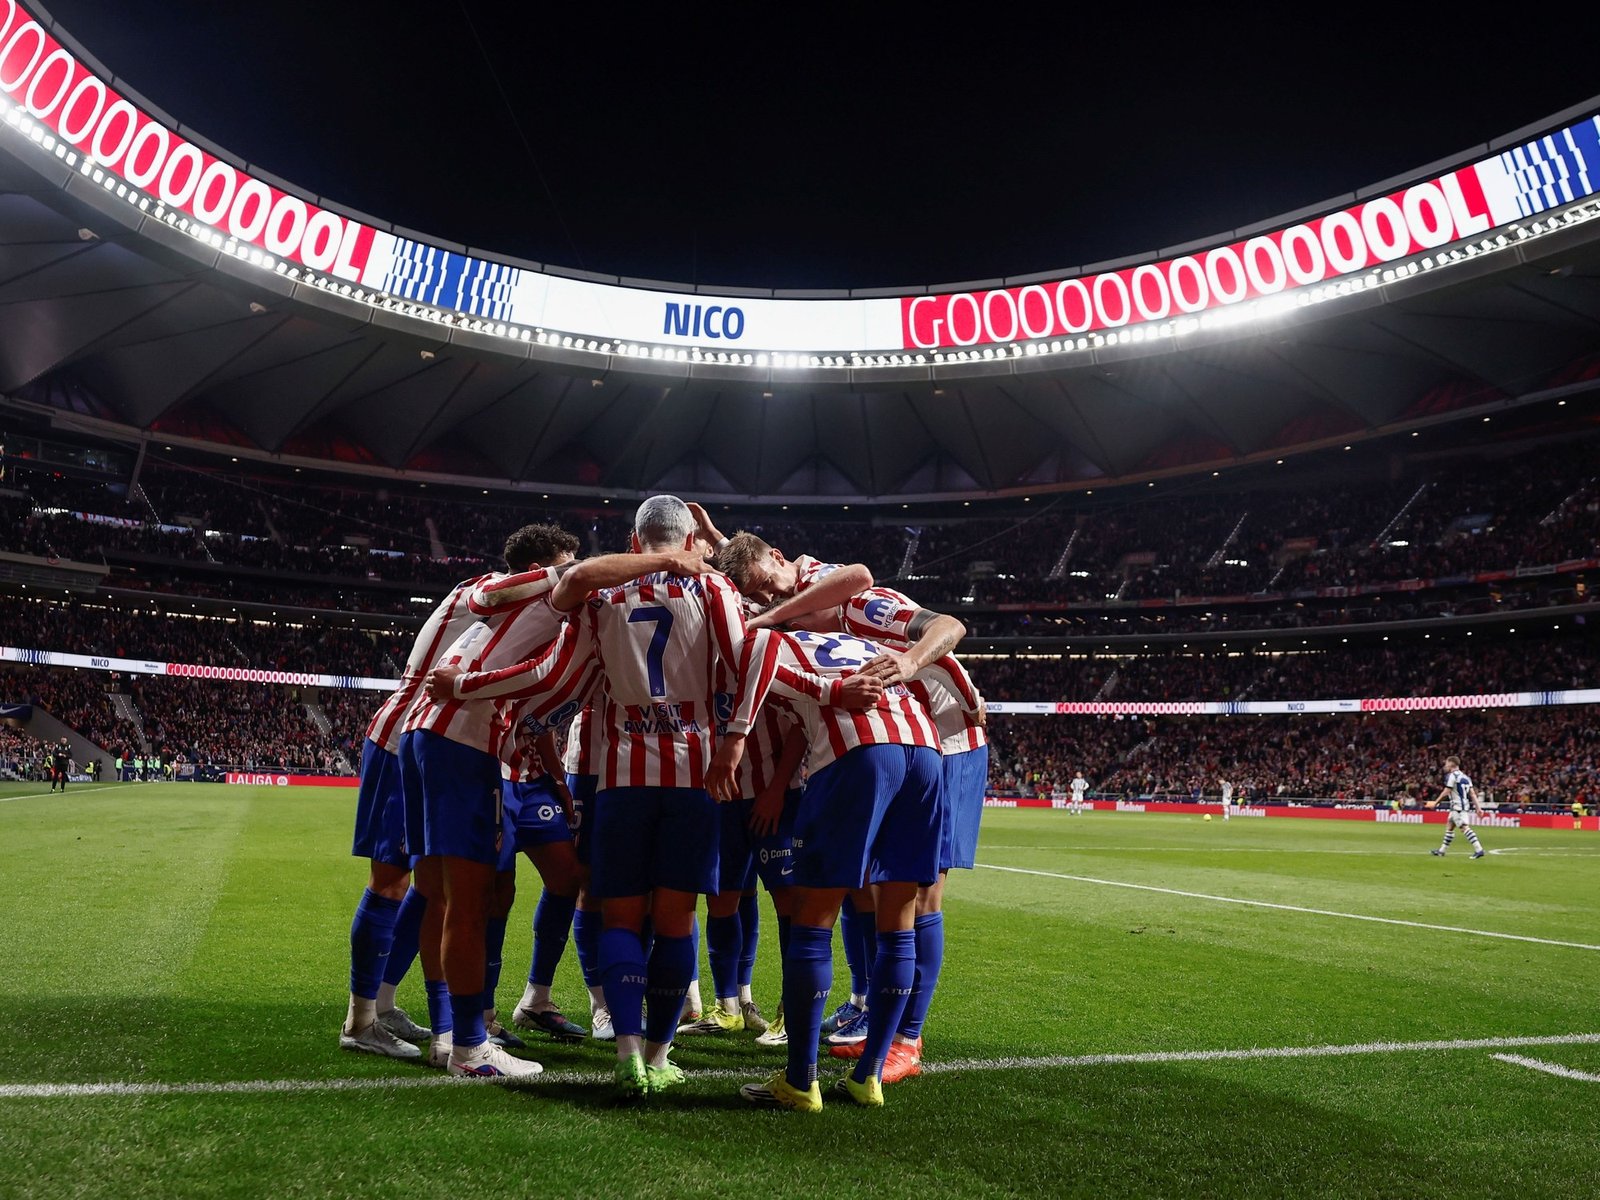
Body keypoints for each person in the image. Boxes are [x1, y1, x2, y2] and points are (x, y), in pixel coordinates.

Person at [425, 496, 788, 1098]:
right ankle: (659, 1053)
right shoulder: (715, 590)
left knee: (618, 915)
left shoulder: (602, 598)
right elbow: (756, 652)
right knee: (675, 920)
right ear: (689, 535)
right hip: (695, 774)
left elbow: (550, 675)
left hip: (620, 777)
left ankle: (625, 1052)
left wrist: (468, 684)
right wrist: (734, 738)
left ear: (634, 539)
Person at [403, 524, 705, 1080]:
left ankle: (453, 1035)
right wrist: (675, 561)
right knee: (468, 901)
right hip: (464, 738)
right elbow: (554, 647)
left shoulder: (536, 610)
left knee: (445, 896)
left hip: (433, 735)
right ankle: (470, 1047)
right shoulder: (567, 603)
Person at [1430, 755, 1487, 859]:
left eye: (1447, 763)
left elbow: (1447, 791)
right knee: (1450, 826)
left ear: (1452, 764)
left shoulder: (1452, 776)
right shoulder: (1466, 777)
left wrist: (1436, 802)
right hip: (1460, 806)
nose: (1445, 766)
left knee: (1464, 828)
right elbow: (1473, 794)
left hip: (1458, 807)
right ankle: (1441, 851)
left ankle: (1479, 849)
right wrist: (1478, 808)